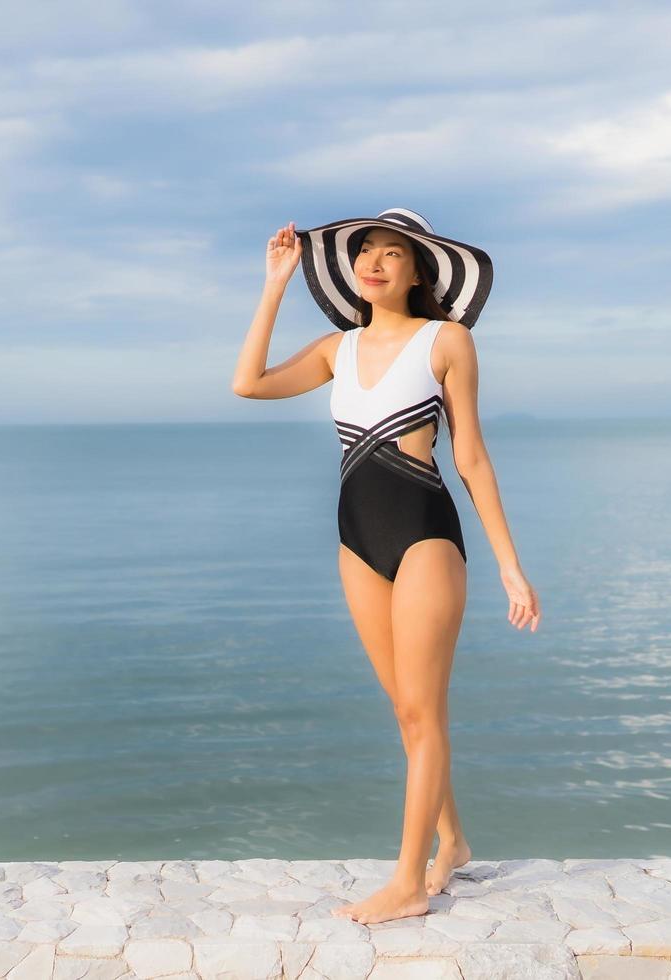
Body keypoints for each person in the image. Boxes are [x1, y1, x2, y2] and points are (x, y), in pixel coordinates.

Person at [231, 209, 541, 925]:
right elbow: (247, 384)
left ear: (418, 270)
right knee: (405, 712)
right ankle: (453, 840)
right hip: (356, 539)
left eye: (391, 252)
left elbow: (470, 457)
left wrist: (509, 566)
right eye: (365, 250)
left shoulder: (447, 340)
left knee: (421, 708)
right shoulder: (337, 349)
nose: (373, 261)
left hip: (426, 531)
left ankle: (408, 882)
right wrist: (275, 283)